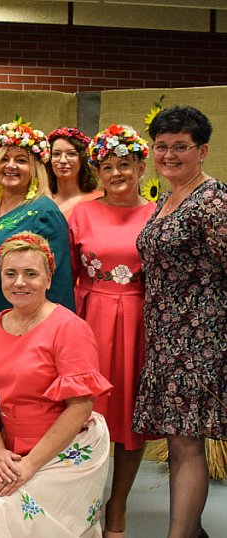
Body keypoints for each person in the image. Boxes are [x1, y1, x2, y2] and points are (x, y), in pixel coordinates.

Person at [0, 232, 112, 538]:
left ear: (48, 280)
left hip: (63, 449)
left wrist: (29, 467)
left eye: (31, 274)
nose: (19, 283)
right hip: (12, 450)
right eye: (10, 274)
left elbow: (80, 407)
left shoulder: (69, 328)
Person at [0, 117, 75, 463]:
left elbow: (57, 281)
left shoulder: (43, 213)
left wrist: (46, 339)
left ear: (36, 167)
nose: (11, 166)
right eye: (5, 158)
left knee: (10, 411)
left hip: (17, 330)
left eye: (21, 160)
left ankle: (8, 500)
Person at [134, 105, 226, 538]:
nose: (169, 155)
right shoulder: (167, 197)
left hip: (199, 341)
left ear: (202, 150)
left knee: (186, 443)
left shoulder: (212, 200)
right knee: (177, 441)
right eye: (161, 146)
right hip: (167, 338)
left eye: (180, 147)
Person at [69, 125, 155, 537]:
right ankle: (82, 501)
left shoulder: (159, 212)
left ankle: (116, 503)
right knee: (83, 412)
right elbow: (64, 272)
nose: (117, 173)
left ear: (142, 166)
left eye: (125, 164)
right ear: (97, 172)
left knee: (128, 416)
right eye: (107, 166)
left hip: (138, 322)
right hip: (88, 319)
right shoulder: (82, 212)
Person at [47, 127, 102, 218]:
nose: (63, 160)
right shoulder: (40, 201)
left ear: (82, 159)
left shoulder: (98, 199)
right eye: (57, 154)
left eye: (71, 154)